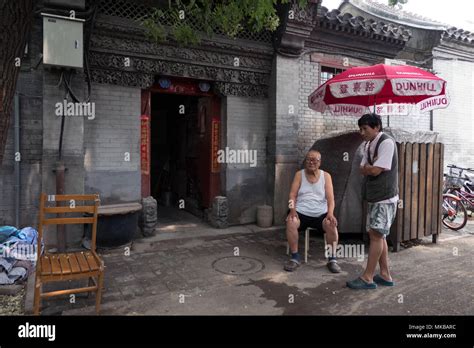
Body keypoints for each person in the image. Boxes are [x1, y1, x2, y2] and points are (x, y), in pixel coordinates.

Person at [347, 113, 398, 290]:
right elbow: (362, 169)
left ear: (376, 127)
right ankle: (385, 274)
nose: (362, 132)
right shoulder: (369, 144)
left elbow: (375, 171)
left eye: (365, 129)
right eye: (360, 129)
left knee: (376, 235)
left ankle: (367, 277)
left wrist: (371, 167)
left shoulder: (386, 142)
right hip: (375, 196)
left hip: (385, 198)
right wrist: (371, 167)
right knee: (378, 234)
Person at [284, 150, 341, 273]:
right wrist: (292, 210)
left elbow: (331, 199)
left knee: (331, 225)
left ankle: (332, 259)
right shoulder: (299, 174)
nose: (310, 162)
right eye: (308, 159)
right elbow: (292, 195)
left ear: (319, 162)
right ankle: (295, 258)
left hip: (320, 213)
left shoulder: (326, 176)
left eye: (314, 160)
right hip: (301, 212)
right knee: (291, 222)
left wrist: (330, 213)